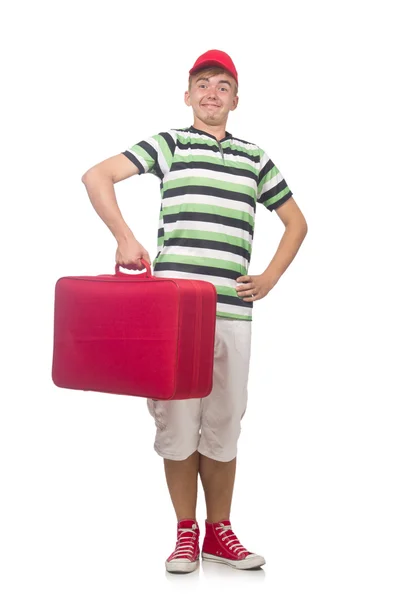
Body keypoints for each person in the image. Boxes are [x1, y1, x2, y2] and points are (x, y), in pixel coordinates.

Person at [82, 49, 308, 573]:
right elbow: (97, 176)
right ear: (188, 95)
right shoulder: (170, 144)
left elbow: (297, 223)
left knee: (224, 423)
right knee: (178, 423)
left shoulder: (256, 158)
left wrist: (269, 278)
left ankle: (219, 533)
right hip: (174, 317)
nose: (212, 93)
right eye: (203, 84)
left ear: (235, 99)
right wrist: (125, 238)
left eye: (223, 85)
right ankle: (185, 532)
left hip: (231, 312)